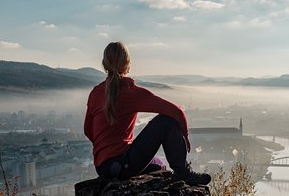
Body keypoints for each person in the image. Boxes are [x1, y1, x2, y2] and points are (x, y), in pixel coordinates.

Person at [84, 42, 211, 186]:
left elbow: (88, 131)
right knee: (166, 122)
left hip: (102, 168)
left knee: (159, 166)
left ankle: (168, 172)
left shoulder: (95, 93)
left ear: (104, 64)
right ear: (127, 64)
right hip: (123, 164)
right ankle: (183, 172)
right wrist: (185, 137)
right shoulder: (131, 92)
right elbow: (176, 112)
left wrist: (107, 147)